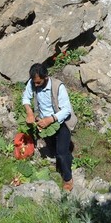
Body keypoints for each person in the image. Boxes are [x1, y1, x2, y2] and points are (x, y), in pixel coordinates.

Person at [22, 63, 74, 191]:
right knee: (53, 148)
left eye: (39, 82)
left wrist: (50, 119)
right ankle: (57, 164)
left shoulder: (58, 86)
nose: (36, 85)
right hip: (44, 122)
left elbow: (66, 110)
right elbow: (26, 98)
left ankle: (68, 178)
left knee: (62, 153)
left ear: (46, 77)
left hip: (60, 122)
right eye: (34, 82)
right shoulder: (33, 83)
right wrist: (29, 112)